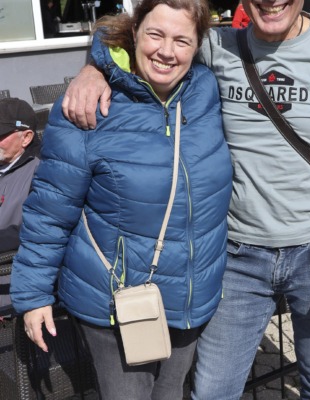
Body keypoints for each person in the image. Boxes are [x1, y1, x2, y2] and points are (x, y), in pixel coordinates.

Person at [61, 0, 310, 398]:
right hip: (237, 257)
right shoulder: (217, 46)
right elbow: (130, 34)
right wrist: (94, 71)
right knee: (213, 391)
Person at [9, 1, 233, 399]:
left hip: (191, 293)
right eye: (155, 35)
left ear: (198, 45)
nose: (167, 51)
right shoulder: (87, 106)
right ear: (134, 32)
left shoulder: (205, 89)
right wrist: (33, 295)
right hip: (117, 300)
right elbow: (50, 209)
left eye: (182, 40)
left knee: (171, 393)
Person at [0, 98, 40, 315]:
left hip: (17, 297)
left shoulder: (41, 172)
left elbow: (39, 229)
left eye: (1, 135)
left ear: (26, 137)